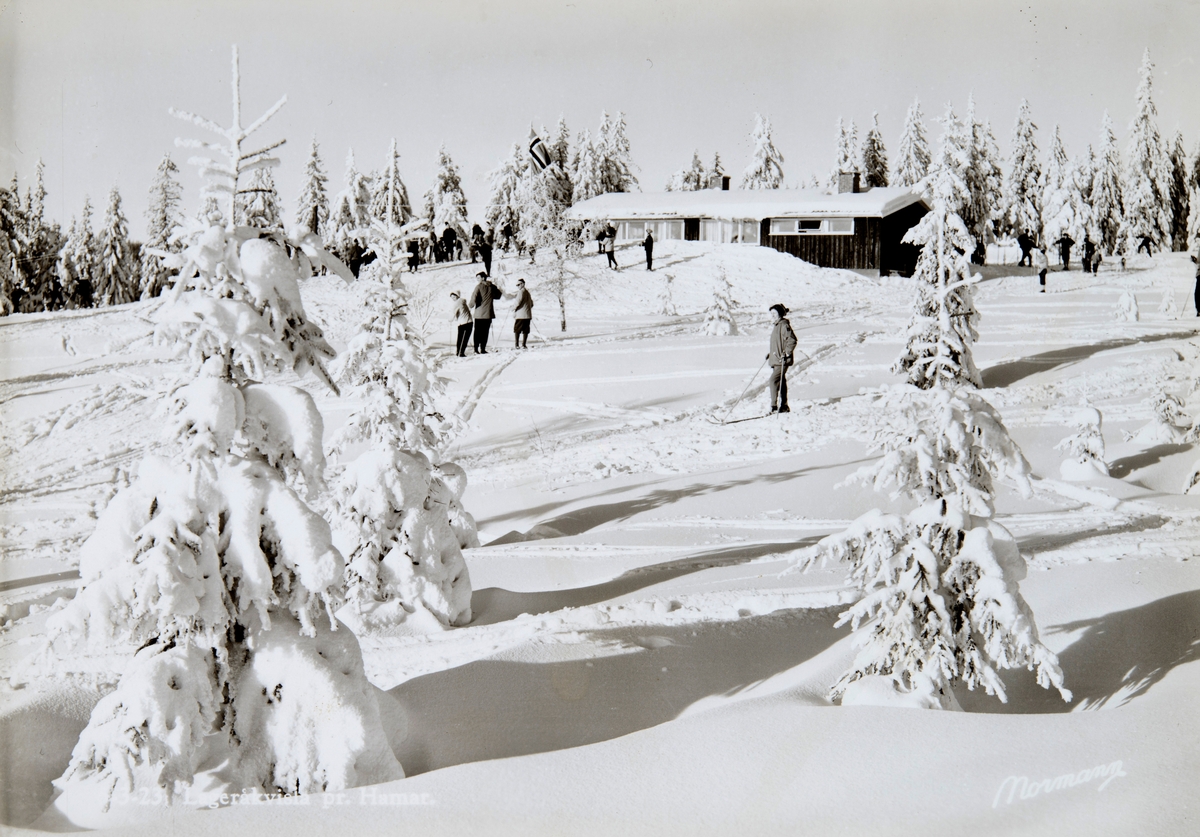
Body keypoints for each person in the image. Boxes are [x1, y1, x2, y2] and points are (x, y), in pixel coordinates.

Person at [766, 304, 797, 414]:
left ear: (780, 314)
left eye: (775, 313)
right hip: (776, 359)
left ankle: (774, 406)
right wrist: (771, 354)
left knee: (773, 380)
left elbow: (792, 340)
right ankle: (784, 405)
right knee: (781, 382)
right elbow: (778, 343)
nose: (773, 316)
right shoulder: (776, 325)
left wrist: (786, 353)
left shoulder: (783, 325)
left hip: (782, 360)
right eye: (771, 314)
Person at [470, 271, 500, 353]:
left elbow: (474, 298)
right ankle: (482, 348)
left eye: (478, 278)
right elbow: (498, 296)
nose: (477, 280)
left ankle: (476, 349)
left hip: (479, 314)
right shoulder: (492, 286)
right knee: (485, 332)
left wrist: (470, 305)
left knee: (477, 332)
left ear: (483, 278)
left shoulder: (478, 287)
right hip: (488, 313)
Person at [512, 277, 533, 349]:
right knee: (525, 330)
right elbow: (532, 304)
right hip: (527, 315)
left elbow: (518, 302)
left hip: (520, 315)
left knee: (517, 330)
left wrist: (513, 308)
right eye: (517, 285)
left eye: (519, 284)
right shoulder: (528, 292)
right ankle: (524, 344)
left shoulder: (521, 292)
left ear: (523, 284)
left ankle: (517, 344)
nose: (518, 286)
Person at [450, 291, 473, 357]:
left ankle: (459, 352)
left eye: (454, 297)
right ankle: (461, 352)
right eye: (452, 297)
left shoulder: (457, 303)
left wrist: (450, 319)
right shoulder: (463, 302)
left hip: (463, 322)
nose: (453, 298)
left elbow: (452, 314)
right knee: (465, 338)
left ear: (457, 296)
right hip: (468, 322)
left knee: (461, 338)